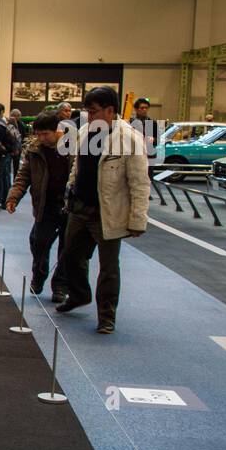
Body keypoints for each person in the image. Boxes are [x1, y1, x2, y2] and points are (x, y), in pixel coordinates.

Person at [56, 85, 150, 334]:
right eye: (87, 111)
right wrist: (70, 191)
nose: (90, 116)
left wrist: (137, 220)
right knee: (70, 256)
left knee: (109, 268)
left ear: (110, 110)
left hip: (108, 213)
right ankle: (79, 295)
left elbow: (140, 183)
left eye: (94, 111)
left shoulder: (130, 138)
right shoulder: (85, 131)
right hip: (79, 208)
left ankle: (107, 316)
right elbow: (78, 166)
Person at [6, 111, 70, 302]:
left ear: (56, 130)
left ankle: (60, 287)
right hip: (45, 205)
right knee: (38, 243)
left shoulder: (73, 148)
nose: (41, 138)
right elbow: (23, 176)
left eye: (46, 134)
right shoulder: (35, 150)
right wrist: (13, 198)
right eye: (38, 134)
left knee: (66, 250)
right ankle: (38, 277)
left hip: (70, 207)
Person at [7, 109, 24, 180]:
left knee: (16, 166)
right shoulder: (7, 124)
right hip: (9, 148)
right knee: (7, 166)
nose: (16, 117)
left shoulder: (21, 124)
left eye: (18, 116)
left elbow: (23, 135)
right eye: (15, 116)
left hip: (17, 148)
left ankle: (15, 179)